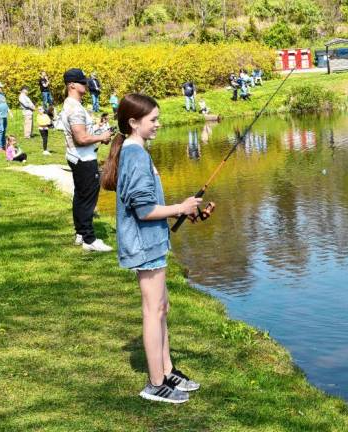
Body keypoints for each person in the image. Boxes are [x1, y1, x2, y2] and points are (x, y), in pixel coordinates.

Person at [100, 93, 202, 404]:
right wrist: (179, 208)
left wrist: (186, 210)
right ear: (133, 122)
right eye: (153, 120)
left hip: (153, 242)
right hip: (144, 244)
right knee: (152, 310)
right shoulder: (135, 155)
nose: (158, 124)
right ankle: (155, 383)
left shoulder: (137, 151)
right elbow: (144, 210)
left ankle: (167, 371)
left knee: (162, 308)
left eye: (158, 118)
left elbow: (150, 203)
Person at [60, 68, 113, 252]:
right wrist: (102, 137)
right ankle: (89, 239)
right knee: (88, 198)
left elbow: (83, 135)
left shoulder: (73, 105)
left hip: (77, 157)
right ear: (71, 85)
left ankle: (81, 233)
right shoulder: (74, 108)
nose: (86, 85)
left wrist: (100, 134)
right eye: (82, 82)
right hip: (83, 159)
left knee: (80, 196)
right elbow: (81, 139)